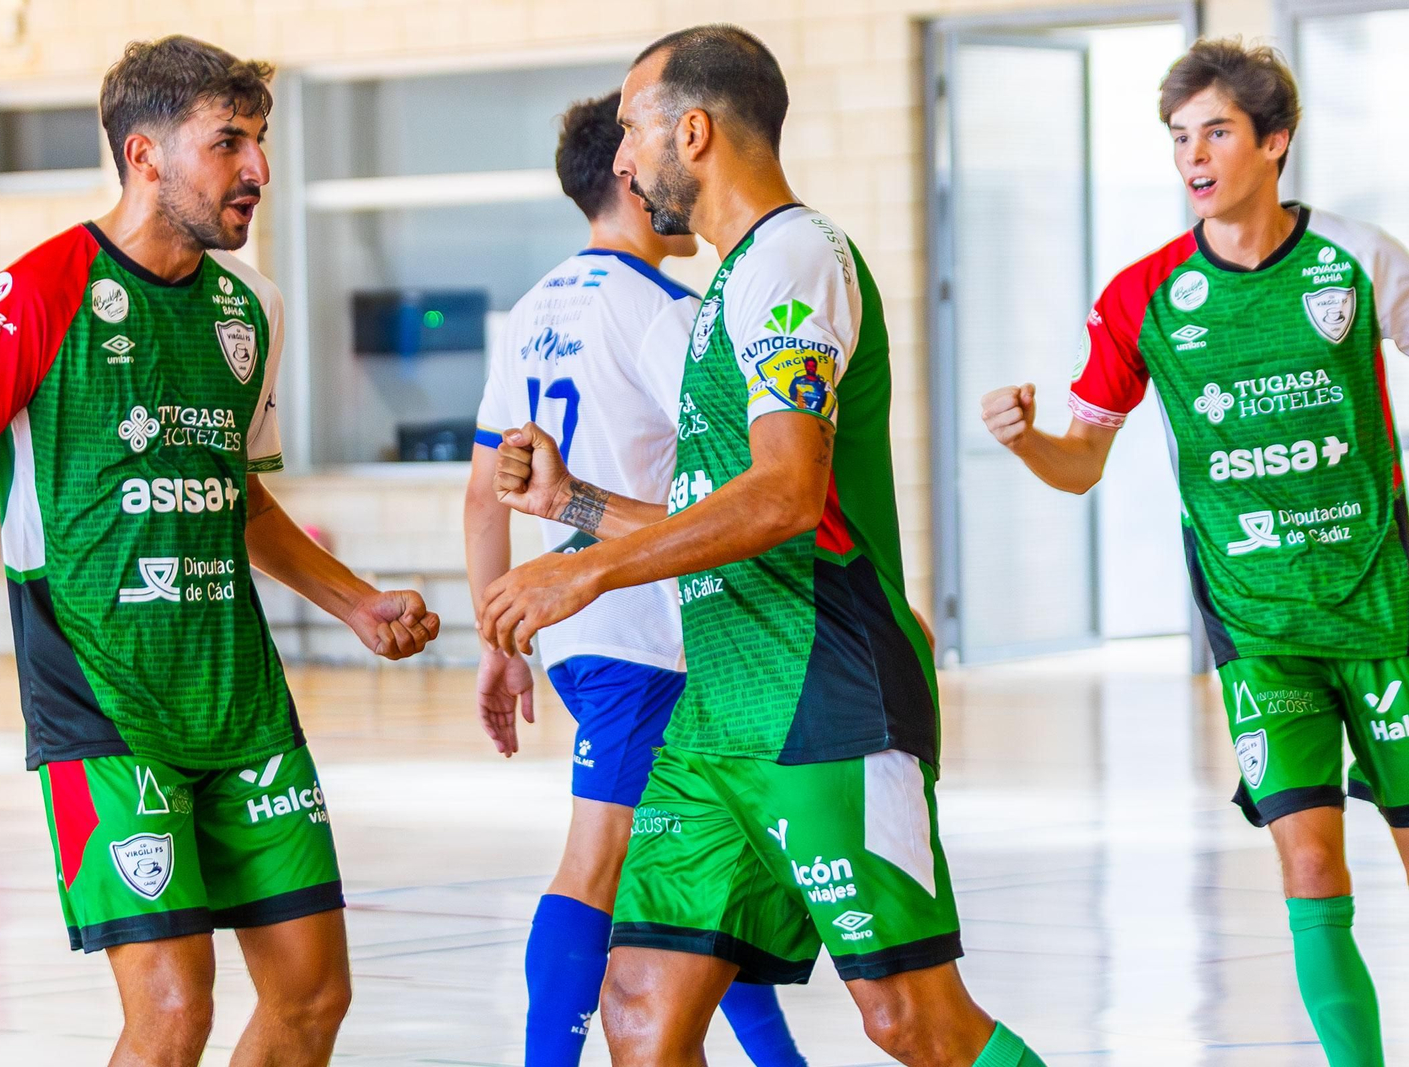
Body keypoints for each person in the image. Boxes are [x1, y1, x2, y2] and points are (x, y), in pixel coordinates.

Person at [479, 25, 1045, 1067]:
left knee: (911, 1019)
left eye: (634, 128)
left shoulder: (792, 256)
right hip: (718, 716)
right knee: (641, 1009)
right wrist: (581, 507)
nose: (622, 157)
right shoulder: (722, 294)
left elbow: (786, 496)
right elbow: (728, 517)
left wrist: (586, 569)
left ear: (690, 131)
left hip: (823, 693)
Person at [0, 36, 440, 1067]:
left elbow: (240, 498)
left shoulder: (249, 307)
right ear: (144, 154)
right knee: (174, 1010)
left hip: (239, 699)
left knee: (314, 998)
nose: (258, 170)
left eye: (260, 141)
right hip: (101, 696)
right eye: (228, 142)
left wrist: (356, 603)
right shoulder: (35, 294)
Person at [981, 38, 1406, 1067]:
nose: (1194, 156)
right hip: (1256, 625)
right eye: (1178, 136)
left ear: (1273, 142)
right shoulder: (1144, 296)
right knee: (1309, 868)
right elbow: (1082, 458)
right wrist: (1026, 437)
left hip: (1383, 608)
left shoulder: (1356, 256)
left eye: (1216, 131)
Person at [464, 90, 806, 1067]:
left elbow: (485, 496)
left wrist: (498, 641)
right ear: (627, 170)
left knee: (704, 865)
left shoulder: (530, 308)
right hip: (650, 630)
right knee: (604, 860)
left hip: (567, 622)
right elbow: (760, 485)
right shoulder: (671, 315)